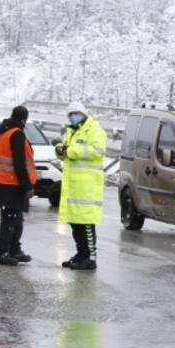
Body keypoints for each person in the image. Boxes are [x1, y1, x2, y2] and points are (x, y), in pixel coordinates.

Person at [56, 101, 107, 270]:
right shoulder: (71, 132)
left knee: (86, 223)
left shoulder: (95, 131)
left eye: (75, 113)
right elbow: (66, 152)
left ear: (84, 114)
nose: (72, 117)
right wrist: (60, 150)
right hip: (73, 187)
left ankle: (90, 257)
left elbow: (97, 151)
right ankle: (81, 254)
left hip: (87, 187)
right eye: (70, 114)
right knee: (75, 223)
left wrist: (71, 151)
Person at [0, 105, 37, 266]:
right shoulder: (16, 134)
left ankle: (14, 249)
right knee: (10, 220)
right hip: (12, 184)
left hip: (2, 182)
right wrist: (27, 186)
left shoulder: (3, 132)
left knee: (16, 219)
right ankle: (3, 252)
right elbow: (19, 163)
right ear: (24, 119)